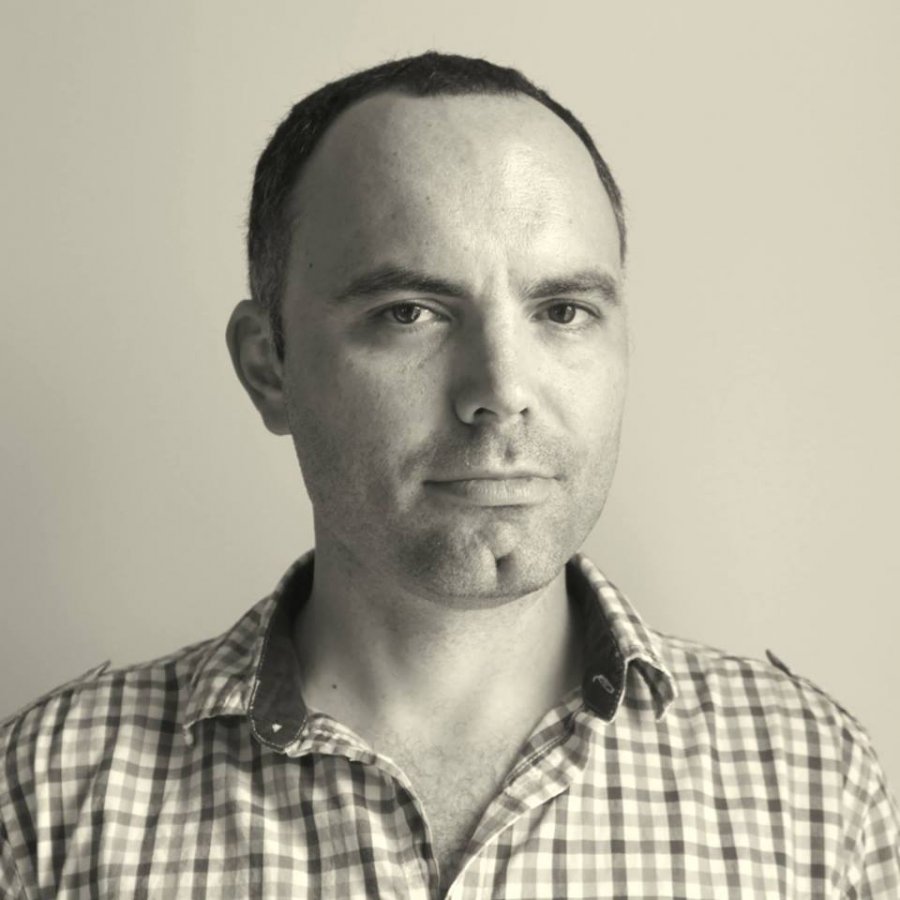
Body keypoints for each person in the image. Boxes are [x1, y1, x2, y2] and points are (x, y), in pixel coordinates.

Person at [1, 51, 897, 899]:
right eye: (410, 312)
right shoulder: (50, 797)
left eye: (563, 310)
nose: (501, 392)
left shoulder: (812, 787)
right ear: (269, 365)